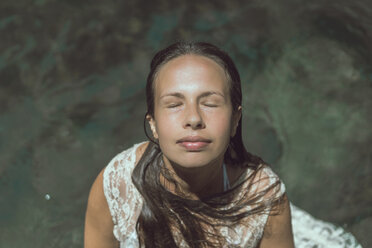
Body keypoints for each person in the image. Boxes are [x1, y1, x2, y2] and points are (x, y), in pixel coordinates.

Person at [84, 42, 362, 248]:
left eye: (210, 103)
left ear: (235, 120)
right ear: (153, 124)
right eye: (174, 104)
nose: (193, 118)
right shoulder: (116, 186)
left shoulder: (265, 201)